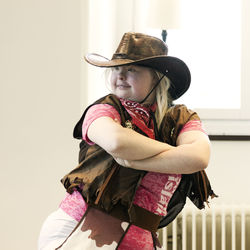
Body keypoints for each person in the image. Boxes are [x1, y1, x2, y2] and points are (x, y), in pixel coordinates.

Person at [38, 32, 216, 250]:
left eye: (131, 69)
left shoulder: (181, 118)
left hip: (139, 237)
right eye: (116, 69)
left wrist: (134, 161)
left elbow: (198, 157)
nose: (120, 76)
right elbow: (116, 142)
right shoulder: (104, 109)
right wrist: (175, 153)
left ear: (158, 77)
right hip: (81, 233)